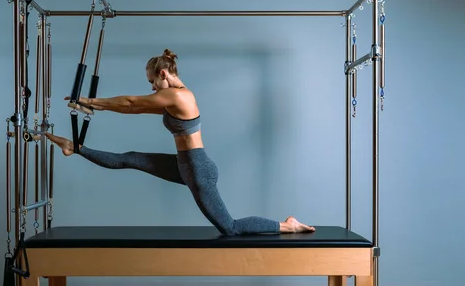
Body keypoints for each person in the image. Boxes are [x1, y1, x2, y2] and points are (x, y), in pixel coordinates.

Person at [45, 49, 315, 235]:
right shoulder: (172, 99)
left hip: (197, 170)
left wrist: (91, 101)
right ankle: (75, 147)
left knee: (229, 227)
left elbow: (132, 102)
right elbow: (133, 108)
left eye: (152, 81)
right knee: (130, 158)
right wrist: (98, 106)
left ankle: (287, 225)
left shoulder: (179, 97)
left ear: (163, 74)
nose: (151, 87)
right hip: (185, 165)